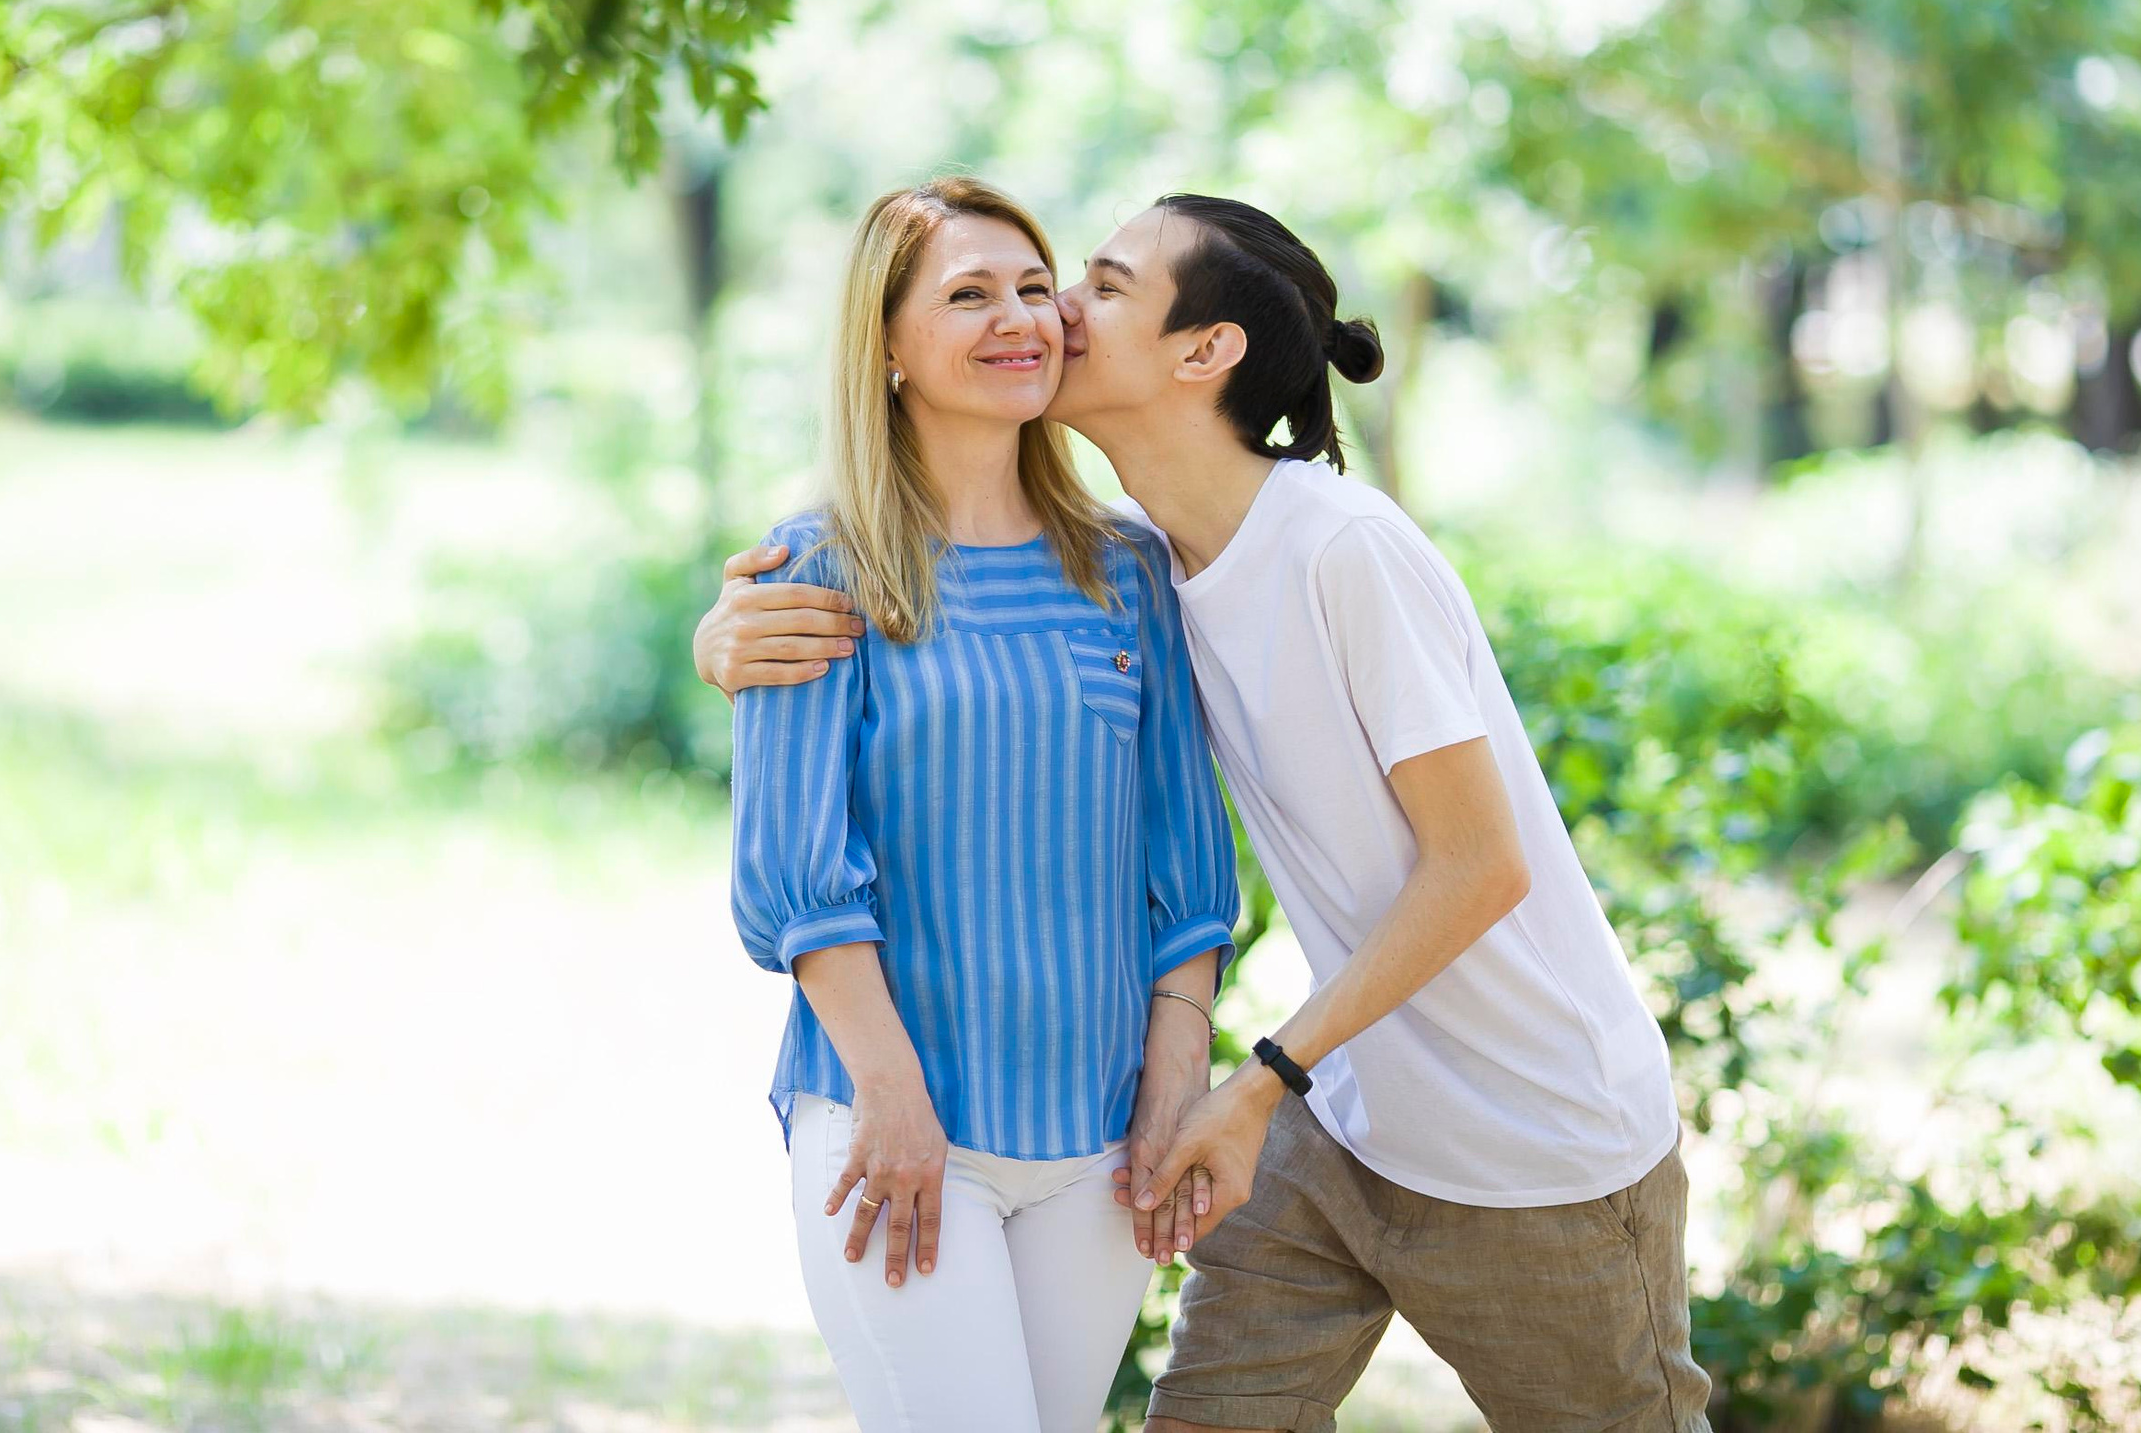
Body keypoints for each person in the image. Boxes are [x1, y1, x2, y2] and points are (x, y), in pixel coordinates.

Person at [700, 194, 1714, 1433]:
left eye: (1090, 286)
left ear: (1204, 351)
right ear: (887, 343)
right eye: (1003, 289)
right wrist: (731, 642)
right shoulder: (1144, 558)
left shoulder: (1316, 551)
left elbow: (1474, 866)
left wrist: (1246, 1080)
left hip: (1525, 1134)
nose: (1052, 312)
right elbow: (874, 741)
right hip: (1342, 1115)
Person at [729, 177, 1241, 1433]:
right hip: (899, 1123)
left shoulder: (1128, 569)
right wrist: (894, 1099)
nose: (1020, 318)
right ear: (888, 347)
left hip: (1099, 1142)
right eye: (968, 295)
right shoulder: (818, 572)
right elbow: (796, 881)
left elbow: (1186, 865)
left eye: (1031, 286)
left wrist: (1174, 1076)